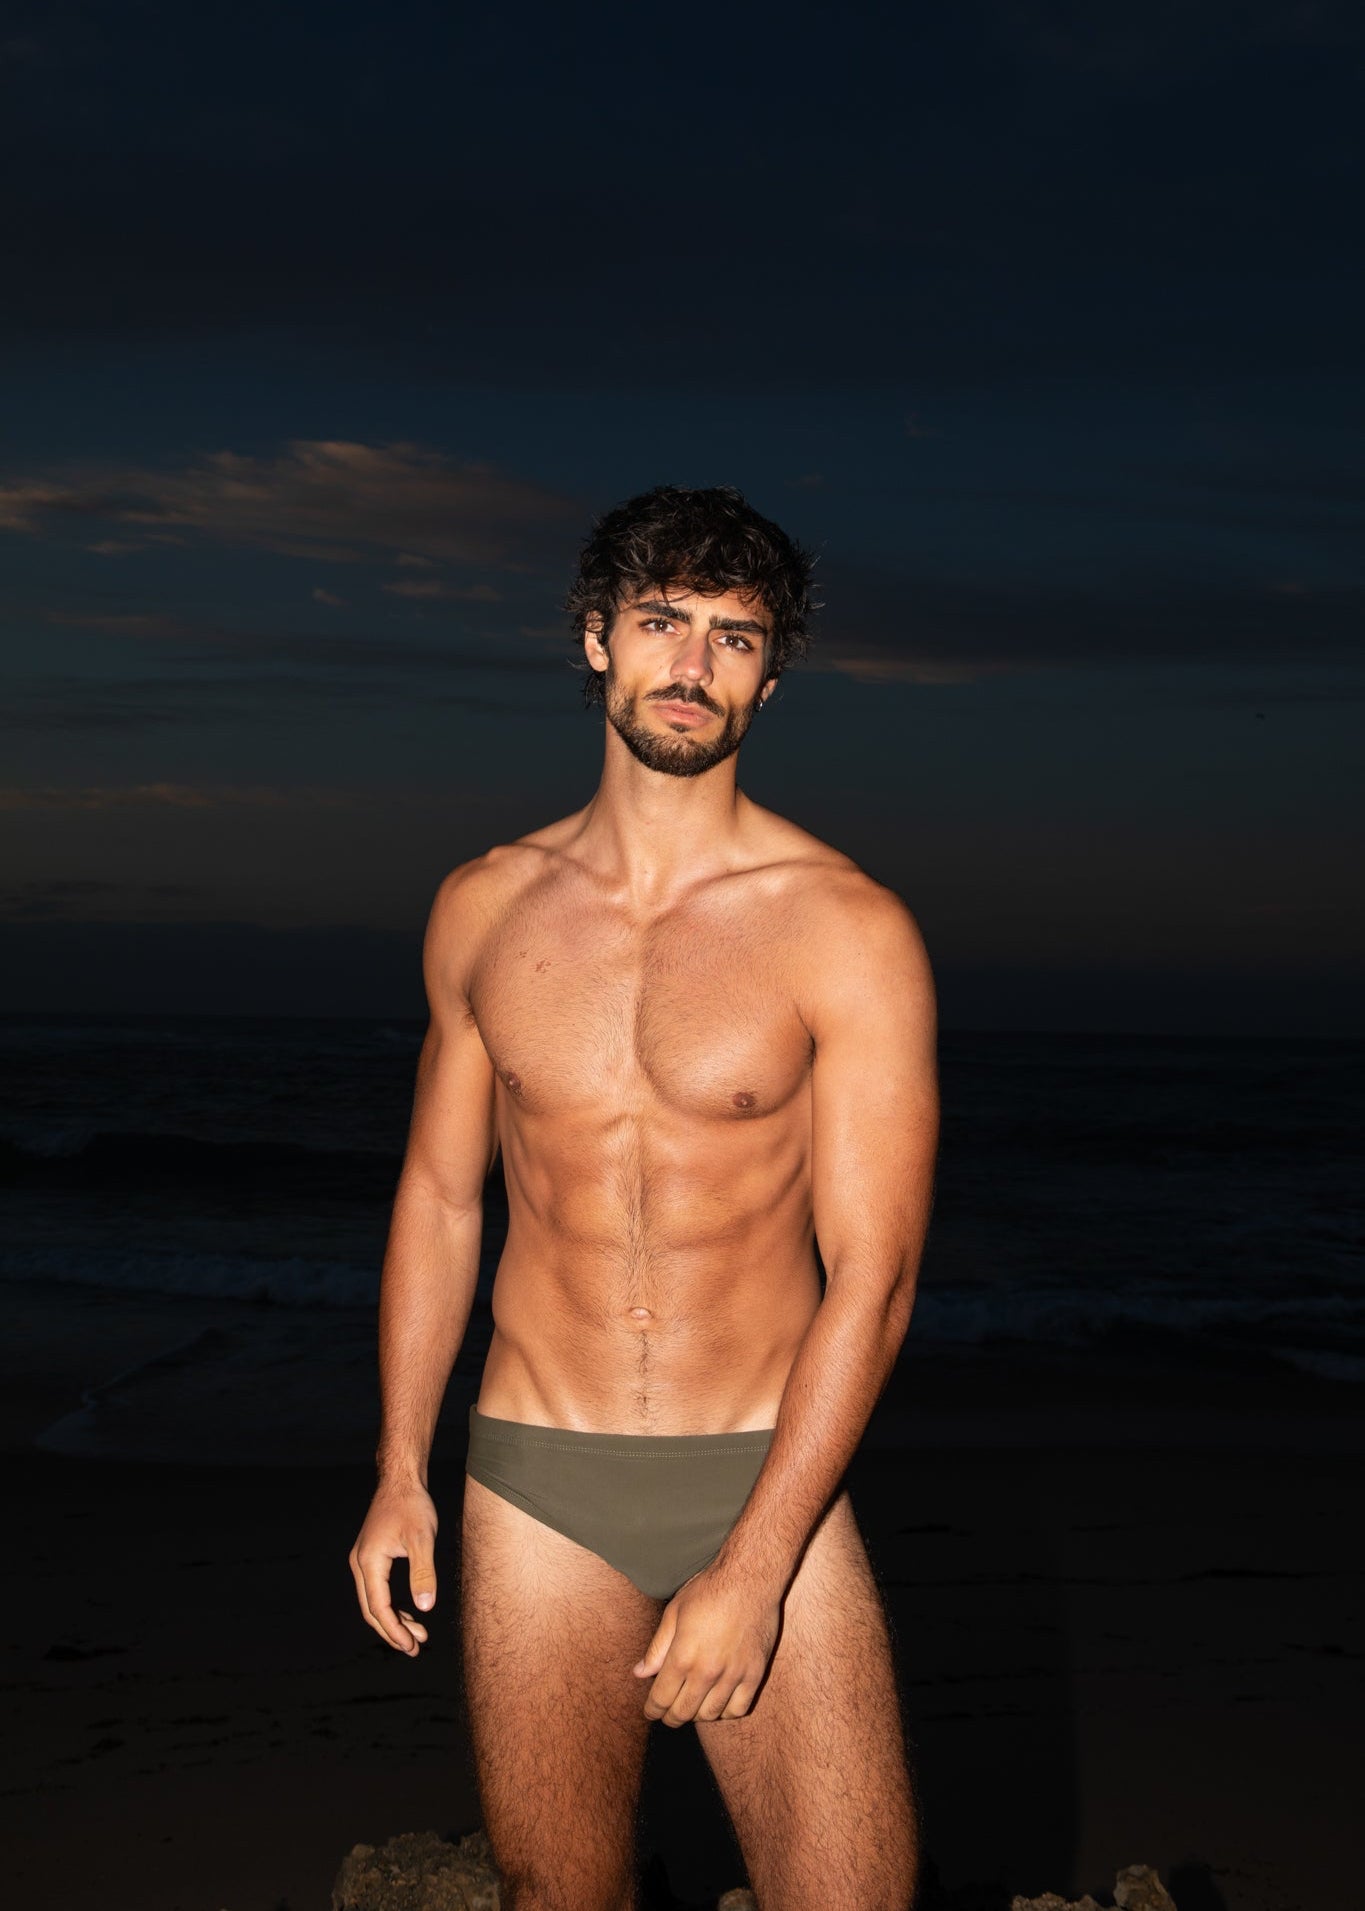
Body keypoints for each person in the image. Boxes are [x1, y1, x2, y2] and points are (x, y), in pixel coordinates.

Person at [349, 484, 939, 1911]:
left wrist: (757, 1565)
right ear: (595, 639)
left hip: (759, 1471)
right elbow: (439, 1198)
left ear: (769, 679)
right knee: (560, 1896)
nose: (693, 664)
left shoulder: (847, 927)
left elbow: (875, 1276)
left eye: (735, 638)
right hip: (535, 1479)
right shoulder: (484, 906)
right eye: (663, 621)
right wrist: (399, 1471)